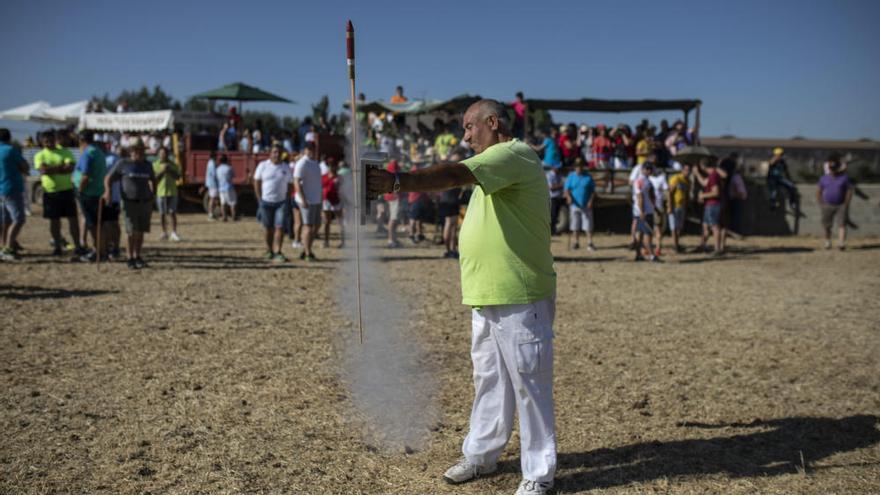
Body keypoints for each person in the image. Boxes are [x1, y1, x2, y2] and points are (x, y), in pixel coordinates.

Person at [368, 99, 557, 495]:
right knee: (489, 379)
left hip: (519, 295)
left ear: (493, 122)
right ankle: (482, 454)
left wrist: (398, 181)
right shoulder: (496, 165)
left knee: (529, 383)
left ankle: (539, 473)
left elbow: (454, 174)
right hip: (487, 294)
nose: (465, 136)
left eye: (470, 127)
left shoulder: (513, 155)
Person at [104, 138, 156, 269]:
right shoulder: (123, 164)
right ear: (131, 151)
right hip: (129, 202)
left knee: (140, 231)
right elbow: (108, 178)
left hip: (144, 202)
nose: (138, 152)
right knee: (131, 232)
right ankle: (129, 257)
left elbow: (153, 179)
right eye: (135, 150)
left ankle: (137, 256)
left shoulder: (147, 165)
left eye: (140, 150)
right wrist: (108, 192)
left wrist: (152, 194)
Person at [34, 131, 85, 258]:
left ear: (55, 140)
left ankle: (78, 245)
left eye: (51, 140)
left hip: (66, 190)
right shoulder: (39, 155)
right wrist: (60, 167)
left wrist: (52, 169)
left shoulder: (65, 151)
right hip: (50, 192)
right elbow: (43, 170)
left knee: (73, 220)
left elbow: (70, 168)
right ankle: (57, 246)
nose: (49, 143)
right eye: (46, 141)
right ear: (42, 142)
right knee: (54, 222)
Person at [254, 145, 292, 262]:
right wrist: (259, 198)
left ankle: (278, 251)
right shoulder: (263, 165)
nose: (277, 154)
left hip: (281, 203)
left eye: (279, 152)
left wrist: (287, 198)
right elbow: (257, 181)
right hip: (266, 202)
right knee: (268, 228)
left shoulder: (286, 167)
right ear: (270, 153)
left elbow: (290, 184)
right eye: (274, 152)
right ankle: (269, 250)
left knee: (280, 228)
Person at [73, 131, 107, 261]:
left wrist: (80, 190)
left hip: (89, 193)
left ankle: (97, 251)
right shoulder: (98, 151)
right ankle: (101, 251)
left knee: (93, 225)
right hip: (97, 191)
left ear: (81, 141)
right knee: (98, 224)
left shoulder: (88, 153)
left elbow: (85, 176)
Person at [0, 128, 29, 261]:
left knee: (6, 220)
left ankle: (3, 245)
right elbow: (25, 166)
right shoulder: (10, 150)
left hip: (1, 189)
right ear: (9, 138)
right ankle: (9, 248)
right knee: (19, 219)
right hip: (11, 188)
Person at [293, 143, 323, 261]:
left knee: (316, 225)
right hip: (307, 200)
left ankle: (306, 248)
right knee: (308, 226)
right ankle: (307, 253)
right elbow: (296, 182)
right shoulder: (302, 163)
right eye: (309, 149)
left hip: (316, 199)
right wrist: (303, 199)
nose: (311, 151)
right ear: (304, 150)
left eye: (313, 149)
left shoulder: (315, 163)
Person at [817, 154, 853, 250]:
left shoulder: (844, 178)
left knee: (841, 224)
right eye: (831, 168)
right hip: (827, 204)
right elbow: (819, 191)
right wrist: (821, 203)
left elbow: (849, 190)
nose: (833, 170)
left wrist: (846, 202)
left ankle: (841, 242)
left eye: (834, 167)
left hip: (841, 204)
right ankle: (828, 241)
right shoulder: (823, 178)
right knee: (827, 225)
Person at [694, 160, 725, 255]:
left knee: (715, 226)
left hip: (713, 204)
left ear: (703, 166)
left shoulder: (713, 176)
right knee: (705, 226)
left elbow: (716, 192)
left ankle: (717, 249)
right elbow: (704, 183)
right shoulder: (712, 175)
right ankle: (702, 245)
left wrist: (703, 196)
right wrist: (697, 174)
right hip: (709, 205)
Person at [563, 158, 596, 250]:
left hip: (586, 204)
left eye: (580, 166)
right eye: (577, 166)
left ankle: (590, 243)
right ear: (575, 167)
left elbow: (593, 191)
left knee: (588, 224)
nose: (579, 168)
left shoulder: (588, 177)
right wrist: (568, 197)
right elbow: (566, 190)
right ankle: (576, 242)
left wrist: (590, 201)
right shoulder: (571, 177)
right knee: (575, 224)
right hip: (574, 204)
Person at [632, 161, 660, 262]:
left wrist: (655, 208)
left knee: (640, 234)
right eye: (647, 169)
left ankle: (638, 255)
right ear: (643, 169)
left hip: (644, 211)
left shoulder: (647, 181)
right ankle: (652, 256)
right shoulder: (640, 181)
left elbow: (650, 197)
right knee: (647, 234)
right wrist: (642, 211)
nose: (649, 171)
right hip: (645, 212)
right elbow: (640, 197)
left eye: (650, 169)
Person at [153, 147, 182, 242]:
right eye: (161, 153)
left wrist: (169, 170)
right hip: (160, 192)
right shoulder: (155, 165)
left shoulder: (173, 164)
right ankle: (164, 232)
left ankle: (174, 232)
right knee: (162, 214)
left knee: (172, 213)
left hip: (172, 191)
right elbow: (154, 179)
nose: (163, 155)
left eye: (164, 153)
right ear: (158, 154)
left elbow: (178, 177)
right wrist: (162, 171)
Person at [666, 162, 691, 253]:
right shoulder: (676, 178)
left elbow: (687, 195)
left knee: (680, 227)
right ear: (682, 170)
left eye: (689, 170)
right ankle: (675, 245)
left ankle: (677, 243)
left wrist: (687, 206)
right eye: (686, 170)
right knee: (674, 227)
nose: (687, 172)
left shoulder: (688, 181)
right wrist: (669, 206)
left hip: (682, 206)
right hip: (674, 206)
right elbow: (670, 193)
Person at [648, 163, 669, 257]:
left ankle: (657, 248)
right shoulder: (650, 178)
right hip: (653, 207)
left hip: (655, 207)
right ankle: (654, 248)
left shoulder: (659, 178)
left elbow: (666, 191)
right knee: (653, 229)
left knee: (657, 229)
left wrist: (668, 205)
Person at [321, 158, 343, 248]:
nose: (331, 167)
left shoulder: (339, 177)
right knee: (326, 222)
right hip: (326, 201)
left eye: (333, 165)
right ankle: (326, 241)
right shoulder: (324, 177)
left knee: (340, 222)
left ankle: (343, 241)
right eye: (330, 165)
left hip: (337, 201)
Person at [216, 154, 237, 221]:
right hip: (229, 187)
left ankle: (224, 217)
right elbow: (233, 176)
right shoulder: (229, 168)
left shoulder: (217, 169)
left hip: (221, 188)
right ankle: (233, 216)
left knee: (223, 203)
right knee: (232, 202)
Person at [545, 165, 563, 236]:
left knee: (556, 215)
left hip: (558, 197)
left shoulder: (559, 175)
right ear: (553, 167)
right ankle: (551, 231)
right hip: (552, 197)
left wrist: (558, 186)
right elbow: (551, 187)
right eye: (557, 167)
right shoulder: (549, 175)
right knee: (552, 215)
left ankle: (554, 230)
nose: (558, 169)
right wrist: (559, 186)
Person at [203, 151, 219, 220]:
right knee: (212, 199)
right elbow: (214, 174)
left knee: (213, 198)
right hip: (213, 183)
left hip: (211, 183)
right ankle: (210, 213)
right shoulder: (212, 163)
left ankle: (211, 213)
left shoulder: (210, 162)